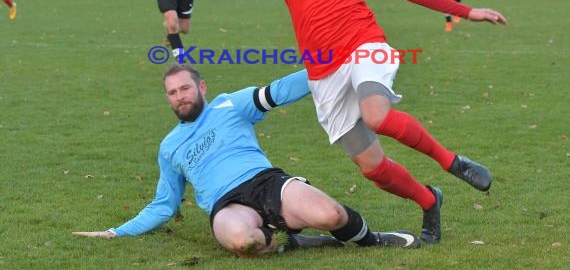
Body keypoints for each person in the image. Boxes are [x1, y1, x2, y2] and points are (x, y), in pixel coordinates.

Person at [216, 0, 507, 244]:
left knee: (376, 114)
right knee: (372, 167)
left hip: (364, 46)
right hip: (323, 71)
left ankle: (453, 162)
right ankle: (429, 199)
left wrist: (466, 11)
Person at [73, 64, 421, 256]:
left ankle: (371, 240)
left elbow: (280, 91)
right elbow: (164, 205)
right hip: (226, 206)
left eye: (185, 88)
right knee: (244, 242)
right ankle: (291, 241)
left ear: (202, 87)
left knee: (331, 214)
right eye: (173, 92)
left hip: (265, 182)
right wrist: (115, 232)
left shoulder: (230, 104)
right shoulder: (169, 147)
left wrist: (331, 68)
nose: (180, 97)